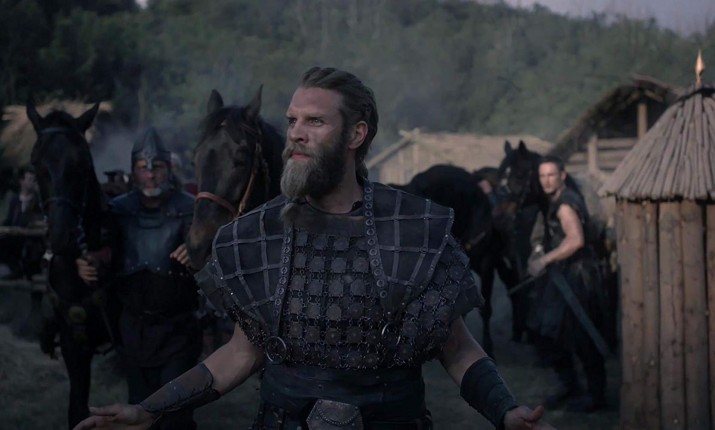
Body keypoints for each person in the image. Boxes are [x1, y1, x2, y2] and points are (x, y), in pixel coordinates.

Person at [73, 67, 555, 430]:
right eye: (292, 120)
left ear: (356, 134)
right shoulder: (256, 234)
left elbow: (457, 347)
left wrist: (505, 410)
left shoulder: (413, 228)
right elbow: (239, 354)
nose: (295, 134)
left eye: (315, 121)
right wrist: (150, 410)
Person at [76, 127, 202, 429]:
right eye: (143, 167)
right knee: (139, 410)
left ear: (168, 168)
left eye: (157, 166)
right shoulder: (119, 210)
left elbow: (213, 254)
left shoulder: (191, 208)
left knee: (175, 414)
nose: (150, 175)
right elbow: (103, 251)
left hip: (178, 330)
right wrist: (87, 264)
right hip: (133, 329)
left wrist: (198, 251)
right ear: (133, 171)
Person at [526, 156, 606, 413]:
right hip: (565, 275)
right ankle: (570, 385)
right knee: (552, 333)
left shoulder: (565, 204)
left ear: (562, 175)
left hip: (579, 276)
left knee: (582, 337)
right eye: (542, 176)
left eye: (551, 175)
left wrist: (544, 260)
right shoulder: (556, 201)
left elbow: (575, 240)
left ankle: (596, 395)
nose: (546, 181)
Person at [0, 165, 44, 279]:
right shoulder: (15, 200)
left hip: (29, 237)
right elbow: (9, 219)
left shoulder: (38, 201)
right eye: (29, 179)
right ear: (22, 181)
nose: (32, 183)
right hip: (13, 236)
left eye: (34, 180)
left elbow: (38, 220)